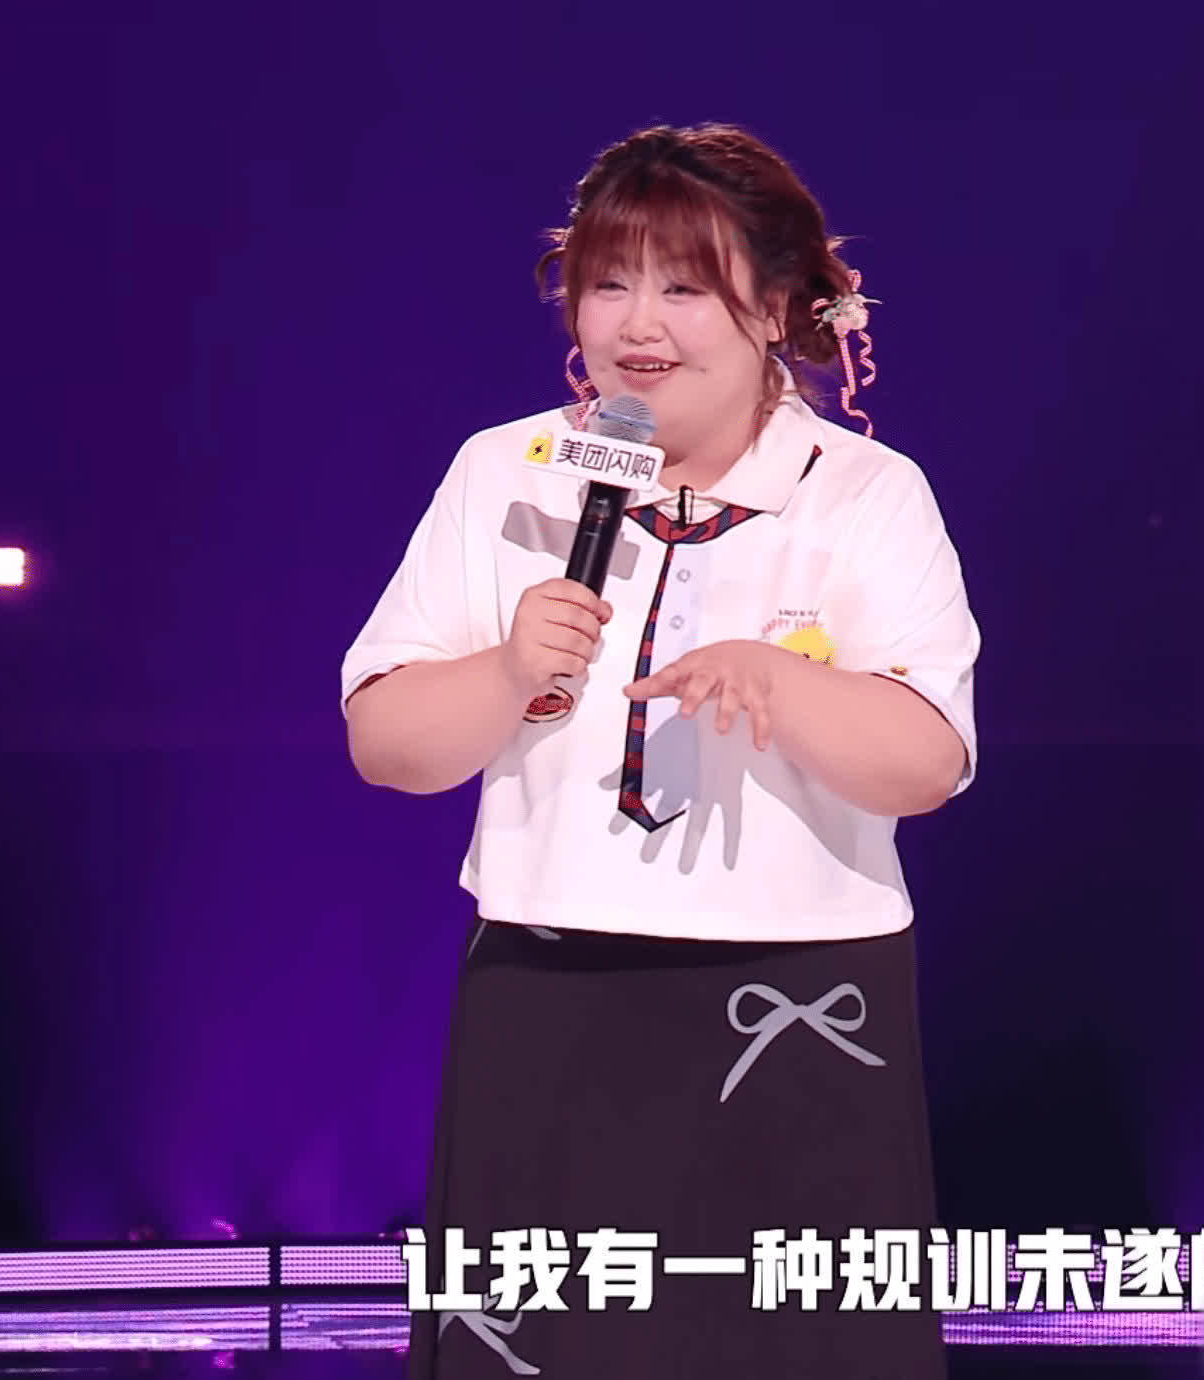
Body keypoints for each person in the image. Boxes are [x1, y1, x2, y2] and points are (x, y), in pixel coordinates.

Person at [341, 123, 979, 1378]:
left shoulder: (864, 493)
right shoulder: (509, 472)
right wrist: (508, 671)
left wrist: (784, 685)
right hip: (547, 996)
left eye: (685, 288)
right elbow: (388, 744)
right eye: (609, 283)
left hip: (803, 1008)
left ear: (779, 307)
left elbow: (928, 763)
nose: (638, 324)